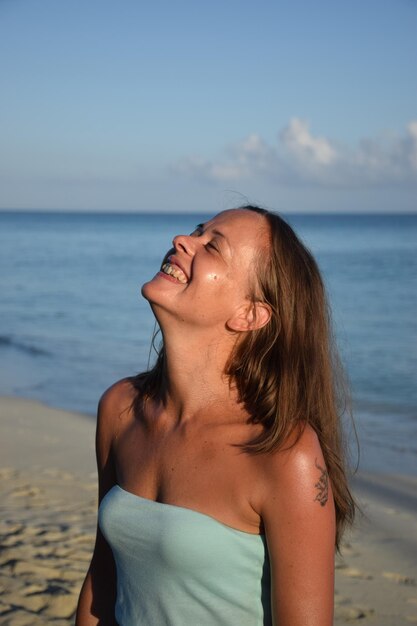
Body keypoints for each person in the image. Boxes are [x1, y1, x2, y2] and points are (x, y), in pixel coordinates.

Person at [76, 205, 355, 626]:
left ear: (250, 314)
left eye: (213, 246)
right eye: (196, 231)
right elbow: (103, 576)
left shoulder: (285, 454)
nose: (182, 241)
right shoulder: (121, 409)